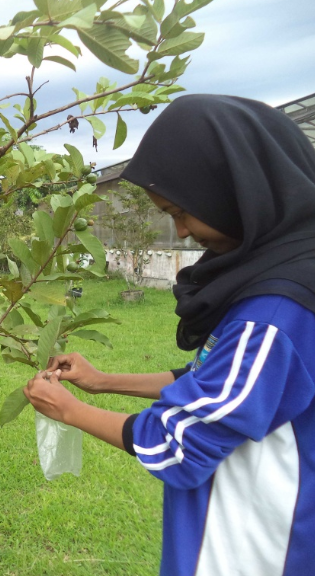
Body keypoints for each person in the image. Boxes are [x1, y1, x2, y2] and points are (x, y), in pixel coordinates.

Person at [24, 94, 315, 576]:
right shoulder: (279, 274)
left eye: (181, 211)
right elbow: (217, 383)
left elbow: (180, 446)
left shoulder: (274, 313)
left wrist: (71, 411)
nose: (180, 231)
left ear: (234, 190)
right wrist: (103, 380)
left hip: (253, 545)